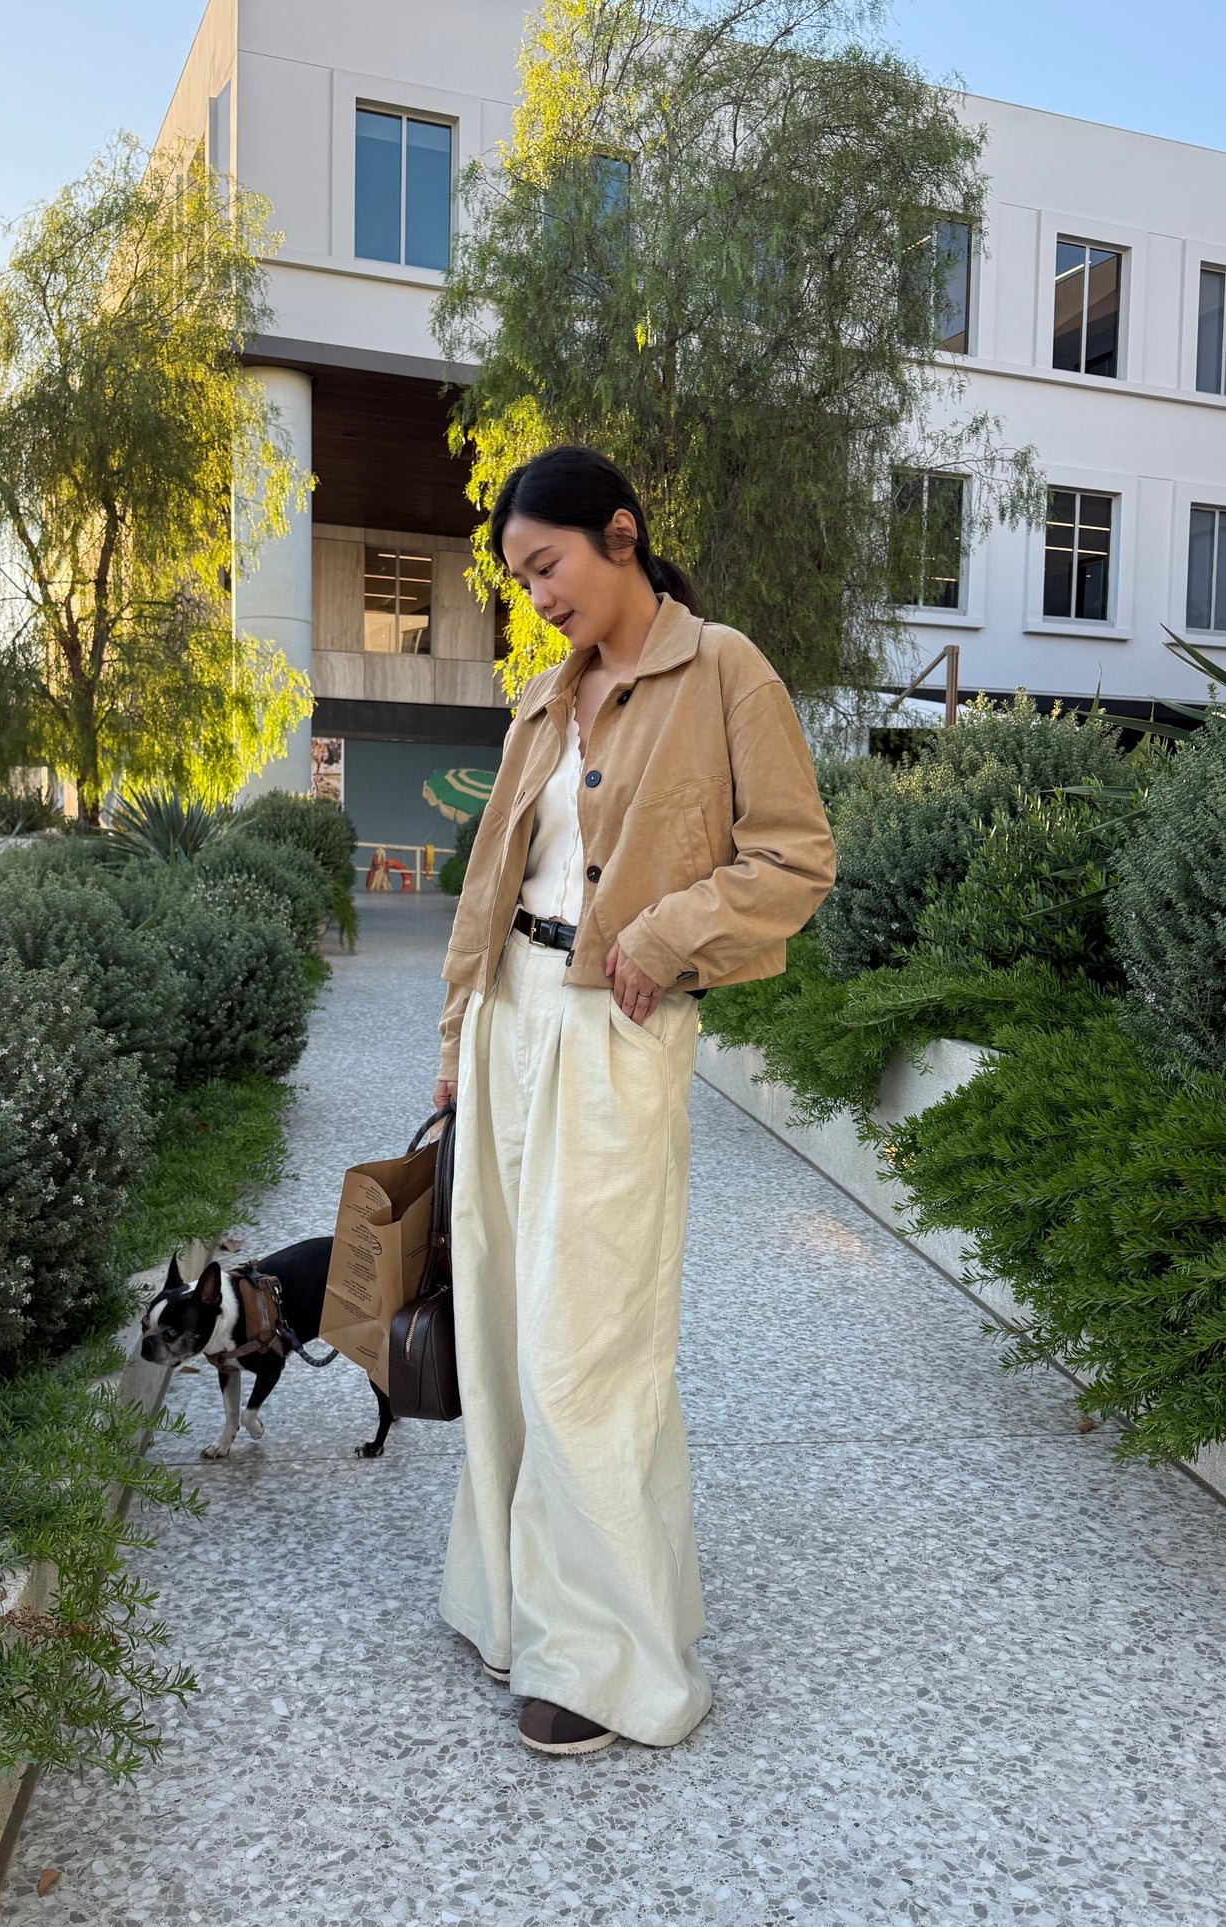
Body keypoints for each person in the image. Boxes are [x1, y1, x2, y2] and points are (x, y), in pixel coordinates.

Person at [432, 446, 836, 1757]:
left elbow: (792, 859)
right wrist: (453, 1041)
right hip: (506, 1023)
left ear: (618, 537)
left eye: (542, 566)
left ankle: (608, 1659)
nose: (531, 596)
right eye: (516, 577)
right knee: (499, 1318)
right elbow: (490, 881)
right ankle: (513, 1604)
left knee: (585, 1340)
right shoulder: (540, 705)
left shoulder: (724, 672)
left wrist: (664, 934)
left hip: (613, 1030)